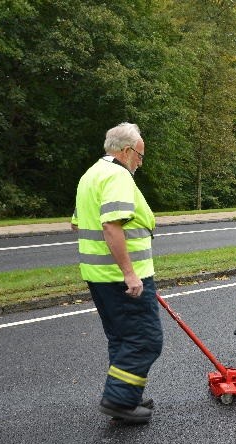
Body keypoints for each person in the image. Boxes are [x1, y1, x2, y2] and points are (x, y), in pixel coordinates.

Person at [71, 122, 163, 424]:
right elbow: (112, 225)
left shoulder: (91, 174)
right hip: (121, 278)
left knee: (123, 338)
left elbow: (77, 223)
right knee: (146, 339)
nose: (140, 162)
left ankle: (127, 393)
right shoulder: (117, 176)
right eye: (139, 155)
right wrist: (131, 274)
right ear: (126, 151)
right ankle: (119, 400)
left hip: (98, 275)